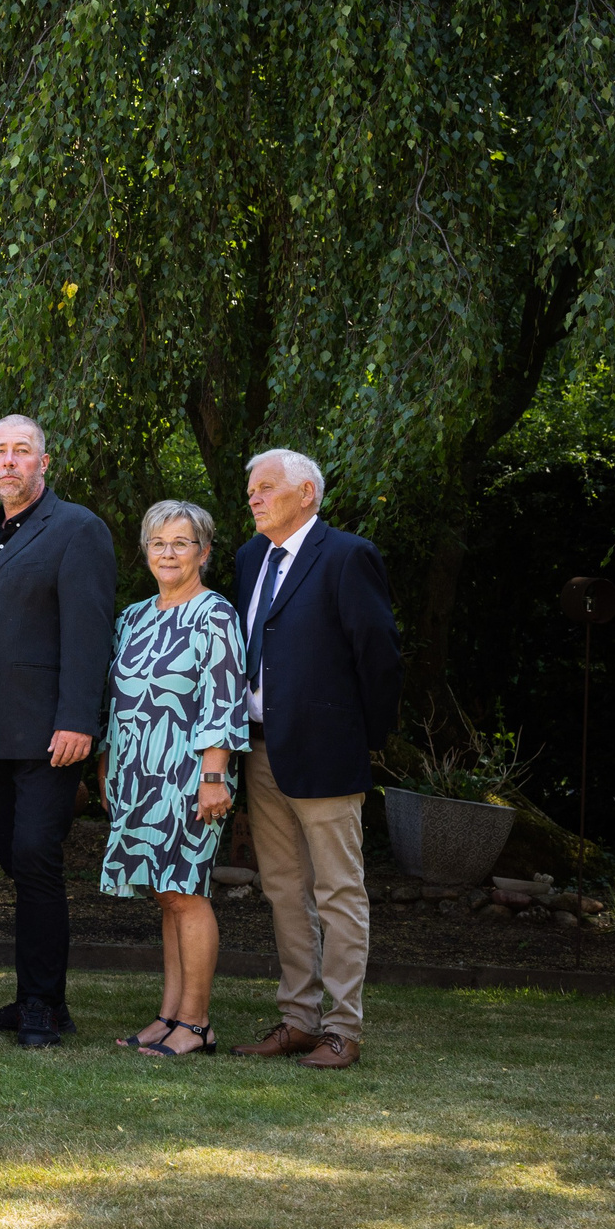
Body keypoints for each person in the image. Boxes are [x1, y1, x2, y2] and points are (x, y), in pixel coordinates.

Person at [227, 449, 401, 1071]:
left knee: (338, 892)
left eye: (266, 487)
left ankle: (342, 1029)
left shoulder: (348, 555)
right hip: (261, 752)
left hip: (327, 754)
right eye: (250, 489)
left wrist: (364, 737)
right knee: (282, 890)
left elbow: (379, 654)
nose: (253, 497)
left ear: (306, 494)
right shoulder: (250, 558)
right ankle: (298, 1020)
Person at [0, 414, 115, 1049]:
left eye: (22, 451)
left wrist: (80, 719)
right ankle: (34, 997)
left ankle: (44, 1007)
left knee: (36, 859)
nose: (10, 462)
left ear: (44, 463)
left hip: (52, 733)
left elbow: (90, 631)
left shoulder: (77, 529)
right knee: (20, 867)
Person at [100, 500, 250, 1058]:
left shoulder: (215, 615)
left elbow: (225, 701)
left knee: (188, 893)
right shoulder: (134, 616)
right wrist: (108, 764)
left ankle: (197, 1022)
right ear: (145, 551)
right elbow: (118, 701)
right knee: (167, 897)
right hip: (136, 774)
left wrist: (215, 775)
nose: (168, 552)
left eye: (181, 543)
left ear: (204, 552)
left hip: (187, 777)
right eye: (158, 543)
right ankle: (168, 1015)